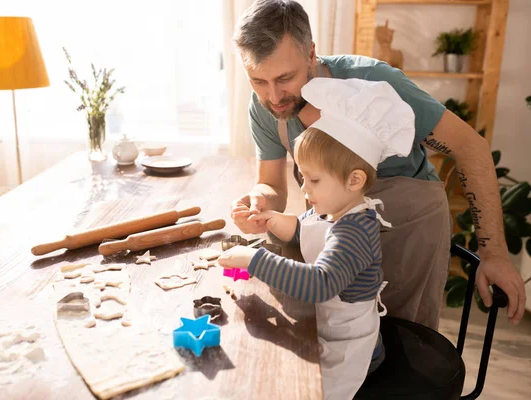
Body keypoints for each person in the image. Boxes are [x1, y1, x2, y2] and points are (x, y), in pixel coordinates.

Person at [229, 0, 525, 328]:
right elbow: (271, 185)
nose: (273, 97)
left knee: (397, 344)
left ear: (311, 54)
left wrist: (494, 253)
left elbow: (472, 148)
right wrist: (258, 202)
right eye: (257, 81)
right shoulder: (266, 109)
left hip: (411, 225)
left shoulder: (373, 82)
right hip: (334, 227)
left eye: (285, 77)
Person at [219, 76, 417, 399]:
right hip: (330, 331)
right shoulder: (335, 208)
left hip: (353, 350)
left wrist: (254, 260)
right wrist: (270, 220)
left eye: (313, 179)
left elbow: (319, 283)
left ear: (354, 180)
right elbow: (302, 230)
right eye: (302, 177)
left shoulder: (356, 231)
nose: (304, 189)